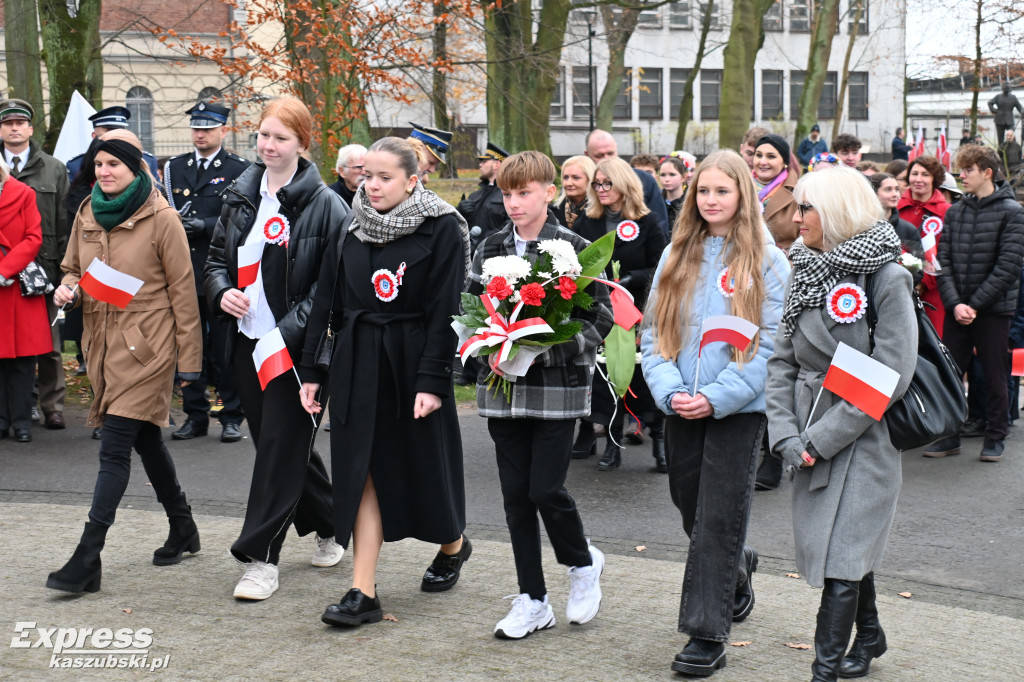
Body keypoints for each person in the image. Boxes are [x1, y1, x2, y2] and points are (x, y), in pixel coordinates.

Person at [299, 136, 470, 627]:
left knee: (422, 470)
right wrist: (312, 371)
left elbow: (446, 311)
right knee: (361, 470)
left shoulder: (442, 227)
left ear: (413, 180)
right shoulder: (350, 225)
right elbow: (327, 303)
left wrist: (433, 381)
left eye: (384, 177)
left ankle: (453, 544)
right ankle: (363, 590)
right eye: (366, 175)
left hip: (413, 360)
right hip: (357, 359)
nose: (370, 185)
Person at [766, 165, 917, 682]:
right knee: (842, 551)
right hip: (808, 428)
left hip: (865, 438)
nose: (796, 216)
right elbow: (781, 362)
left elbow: (890, 373)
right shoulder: (802, 267)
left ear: (835, 211)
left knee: (842, 559)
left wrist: (819, 440)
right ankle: (869, 634)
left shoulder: (887, 275)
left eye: (806, 206)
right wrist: (785, 434)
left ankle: (823, 671)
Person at [641, 149, 789, 677]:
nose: (710, 200)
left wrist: (718, 396)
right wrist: (671, 390)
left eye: (721, 191)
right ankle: (738, 570)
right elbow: (653, 333)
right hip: (681, 402)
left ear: (741, 195)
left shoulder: (769, 262)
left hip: (738, 410)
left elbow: (771, 345)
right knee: (692, 509)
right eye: (703, 191)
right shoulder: (676, 254)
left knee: (718, 520)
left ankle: (706, 634)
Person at [204, 97, 349, 601]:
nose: (268, 146)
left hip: (297, 351)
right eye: (264, 135)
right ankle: (333, 521)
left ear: (302, 144)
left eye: (280, 138)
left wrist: (284, 333)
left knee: (279, 452)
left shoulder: (327, 205)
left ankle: (260, 558)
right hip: (247, 343)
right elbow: (217, 259)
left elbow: (330, 292)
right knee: (282, 448)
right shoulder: (239, 194)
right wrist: (222, 290)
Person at [46, 129, 203, 593]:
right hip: (101, 345)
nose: (105, 172)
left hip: (149, 348)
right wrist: (68, 289)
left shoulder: (162, 218)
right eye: (98, 164)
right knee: (147, 441)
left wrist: (189, 363)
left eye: (114, 164)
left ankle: (87, 558)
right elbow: (74, 266)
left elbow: (183, 293)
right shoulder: (88, 209)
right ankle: (184, 526)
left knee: (113, 447)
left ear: (136, 168)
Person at [469, 150, 613, 640]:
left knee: (545, 489)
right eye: (507, 193)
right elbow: (471, 311)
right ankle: (532, 598)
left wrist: (541, 353)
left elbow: (599, 320)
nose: (513, 203)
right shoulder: (487, 248)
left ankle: (581, 562)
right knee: (514, 497)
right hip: (503, 389)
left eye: (524, 193)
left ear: (549, 193)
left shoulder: (574, 248)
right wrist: (484, 349)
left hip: (557, 388)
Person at [926, 145, 1024, 462]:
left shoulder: (1012, 212)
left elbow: (1008, 267)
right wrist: (955, 304)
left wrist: (975, 305)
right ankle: (949, 435)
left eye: (967, 170)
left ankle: (995, 436)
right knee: (951, 373)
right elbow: (944, 263)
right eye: (960, 169)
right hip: (958, 308)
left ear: (987, 173)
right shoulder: (956, 211)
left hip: (993, 311)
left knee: (995, 374)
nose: (961, 176)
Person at [572, 156, 667, 472]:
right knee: (606, 377)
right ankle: (612, 445)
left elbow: (660, 266)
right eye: (596, 183)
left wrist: (631, 279)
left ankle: (660, 446)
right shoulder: (586, 222)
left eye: (607, 183)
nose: (600, 189)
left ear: (624, 183)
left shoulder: (648, 222)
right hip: (601, 312)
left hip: (637, 310)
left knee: (641, 376)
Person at [164, 100, 251, 444]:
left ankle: (232, 415)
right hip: (183, 268)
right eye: (196, 128)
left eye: (208, 128)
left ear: (223, 131)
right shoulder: (175, 166)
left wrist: (206, 224)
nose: (200, 134)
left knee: (224, 347)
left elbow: (245, 216)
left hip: (220, 271)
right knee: (189, 346)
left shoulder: (238, 168)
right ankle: (195, 414)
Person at [0, 99, 70, 431]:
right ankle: (18, 408)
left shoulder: (53, 167)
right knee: (7, 344)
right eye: (7, 123)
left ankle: (52, 405)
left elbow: (62, 220)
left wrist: (65, 268)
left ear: (30, 129)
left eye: (20, 123)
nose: (14, 128)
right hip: (3, 272)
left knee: (48, 344)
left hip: (43, 269)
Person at [0, 158, 51, 443]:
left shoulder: (23, 193)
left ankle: (22, 423)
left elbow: (34, 237)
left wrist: (6, 269)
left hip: (17, 285)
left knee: (21, 360)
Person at [897, 155, 950, 333]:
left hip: (934, 289)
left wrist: (924, 282)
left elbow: (946, 251)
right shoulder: (894, 208)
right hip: (897, 285)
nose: (918, 179)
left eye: (925, 174)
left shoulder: (947, 212)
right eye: (914, 174)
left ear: (934, 179)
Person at [584, 129, 669, 236]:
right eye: (599, 155)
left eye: (611, 153)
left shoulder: (644, 180)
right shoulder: (581, 182)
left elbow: (661, 225)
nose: (607, 159)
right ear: (587, 154)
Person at [66, 106, 160, 179]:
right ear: (94, 136)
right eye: (109, 131)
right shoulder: (76, 165)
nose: (116, 136)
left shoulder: (147, 161)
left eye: (120, 131)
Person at [753, 134, 801, 251]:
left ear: (784, 161)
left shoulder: (800, 192)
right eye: (758, 155)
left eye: (771, 156)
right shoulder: (738, 187)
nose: (763, 162)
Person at [457, 141, 511, 245]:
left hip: (496, 252)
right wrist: (460, 212)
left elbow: (510, 225)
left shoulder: (508, 194)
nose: (480, 165)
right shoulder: (475, 195)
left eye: (484, 161)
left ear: (496, 164)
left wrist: (483, 242)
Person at [868, 172, 924, 264]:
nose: (895, 194)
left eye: (897, 189)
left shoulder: (908, 230)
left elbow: (919, 266)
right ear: (874, 193)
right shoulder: (862, 226)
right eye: (888, 190)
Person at [553, 154, 595, 232]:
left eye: (576, 178)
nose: (569, 183)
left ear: (590, 179)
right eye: (565, 177)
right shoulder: (551, 212)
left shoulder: (601, 211)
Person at [660, 155, 688, 229]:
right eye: (663, 175)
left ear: (683, 177)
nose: (666, 179)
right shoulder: (656, 202)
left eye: (672, 174)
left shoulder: (691, 203)